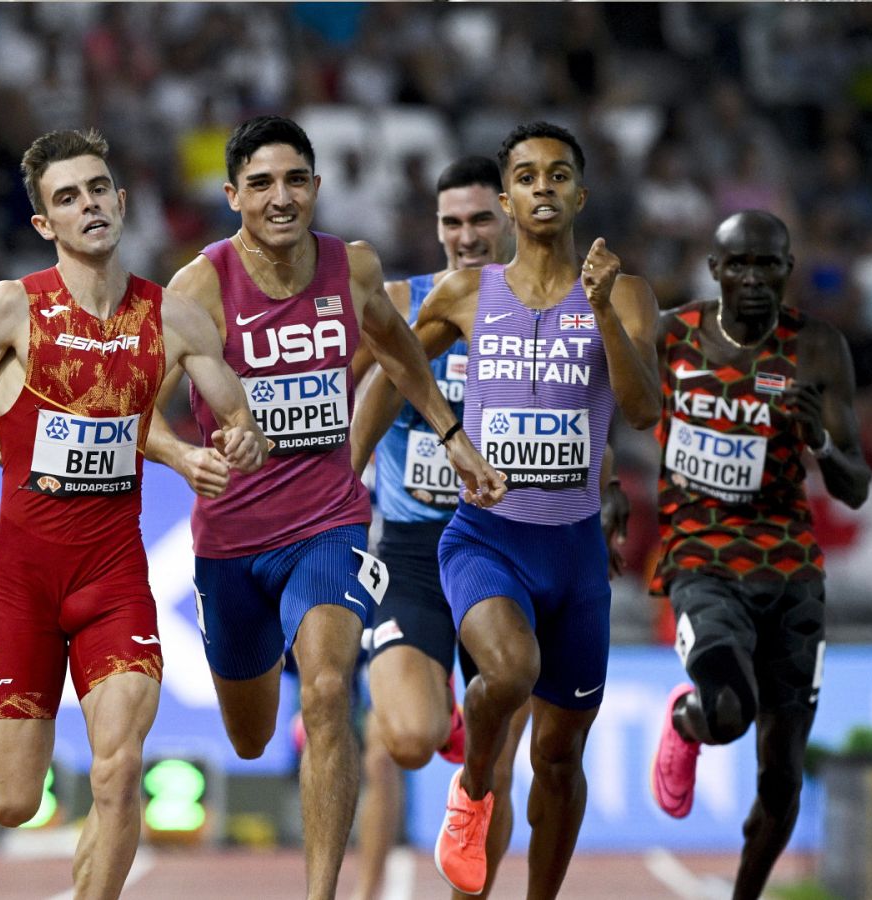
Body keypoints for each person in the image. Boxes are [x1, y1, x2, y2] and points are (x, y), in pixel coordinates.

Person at [0, 128, 265, 900]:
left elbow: (239, 419)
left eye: (98, 190)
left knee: (118, 769)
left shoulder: (175, 318)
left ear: (121, 202)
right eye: (68, 197)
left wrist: (242, 440)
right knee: (11, 801)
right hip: (23, 585)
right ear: (44, 223)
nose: (88, 205)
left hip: (113, 580)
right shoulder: (11, 309)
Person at [145, 115, 507, 900]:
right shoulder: (199, 287)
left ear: (316, 186)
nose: (280, 198)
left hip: (330, 523)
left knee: (327, 689)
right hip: (233, 541)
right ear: (233, 195)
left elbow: (399, 348)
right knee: (249, 736)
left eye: (294, 180)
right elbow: (137, 412)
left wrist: (449, 434)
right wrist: (186, 456)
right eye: (262, 184)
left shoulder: (354, 267)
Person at [413, 122, 662, 896]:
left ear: (580, 195)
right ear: (507, 200)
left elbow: (644, 411)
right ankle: (473, 790)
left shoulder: (626, 293)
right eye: (526, 177)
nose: (543, 187)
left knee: (558, 757)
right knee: (510, 671)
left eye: (558, 175)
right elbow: (390, 362)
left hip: (575, 554)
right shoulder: (466, 293)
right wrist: (450, 434)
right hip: (486, 540)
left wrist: (603, 312)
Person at [649, 210, 869, 899]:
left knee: (782, 778)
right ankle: (685, 721)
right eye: (737, 264)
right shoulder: (672, 335)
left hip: (790, 571)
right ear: (714, 270)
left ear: (787, 270)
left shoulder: (817, 349)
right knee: (726, 712)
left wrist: (819, 442)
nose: (752, 278)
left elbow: (856, 486)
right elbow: (606, 404)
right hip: (700, 559)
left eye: (766, 264)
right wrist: (606, 492)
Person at [346, 155, 529, 900]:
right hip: (413, 550)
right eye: (452, 222)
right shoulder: (399, 302)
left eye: (481, 219)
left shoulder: (540, 312)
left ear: (509, 218)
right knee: (405, 741)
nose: (467, 236)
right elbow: (343, 391)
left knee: (495, 772)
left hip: (506, 550)